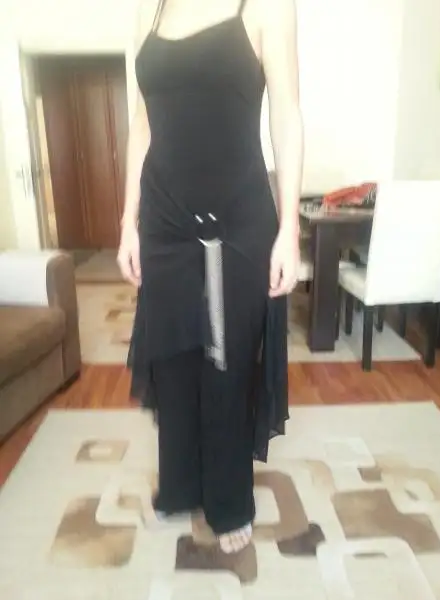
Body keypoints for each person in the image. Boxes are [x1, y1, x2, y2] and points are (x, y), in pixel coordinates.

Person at [117, 0, 304, 554]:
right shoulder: (148, 11)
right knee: (174, 357)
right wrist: (128, 221)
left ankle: (228, 502)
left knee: (226, 361)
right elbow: (143, 123)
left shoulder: (267, 7)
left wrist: (290, 226)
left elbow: (287, 113)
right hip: (164, 221)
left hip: (237, 218)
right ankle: (181, 484)